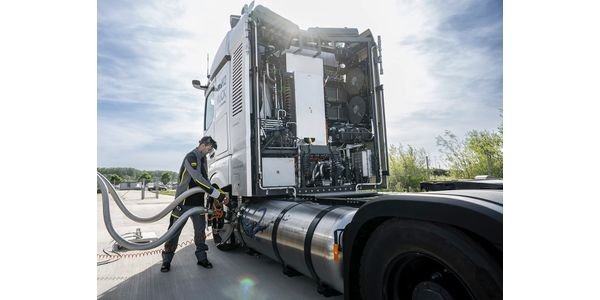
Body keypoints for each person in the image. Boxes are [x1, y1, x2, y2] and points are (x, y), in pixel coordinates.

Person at [161, 136, 227, 272]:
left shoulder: (203, 159)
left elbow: (205, 180)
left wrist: (217, 192)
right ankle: (166, 261)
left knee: (200, 233)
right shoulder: (191, 157)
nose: (208, 152)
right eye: (208, 149)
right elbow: (198, 179)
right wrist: (217, 195)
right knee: (173, 233)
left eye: (210, 151)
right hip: (182, 203)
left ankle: (202, 259)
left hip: (198, 204)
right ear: (203, 145)